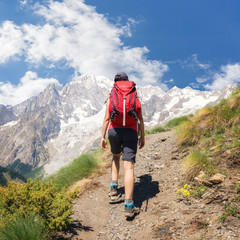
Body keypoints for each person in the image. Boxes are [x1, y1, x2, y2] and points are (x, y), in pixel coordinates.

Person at [101, 72, 145, 218]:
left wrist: (102, 136)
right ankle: (129, 205)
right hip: (131, 131)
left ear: (115, 82)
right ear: (127, 81)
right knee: (129, 167)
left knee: (115, 156)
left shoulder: (113, 94)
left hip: (114, 130)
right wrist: (142, 136)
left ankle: (114, 189)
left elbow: (107, 117)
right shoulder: (134, 93)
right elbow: (140, 117)